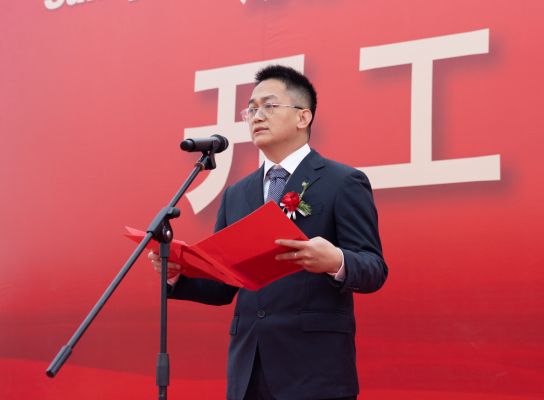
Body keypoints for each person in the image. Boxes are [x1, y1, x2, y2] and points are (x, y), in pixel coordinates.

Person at [149, 65, 388, 400]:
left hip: (314, 372)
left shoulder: (342, 182)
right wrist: (179, 275)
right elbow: (224, 285)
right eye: (251, 109)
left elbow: (374, 268)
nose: (256, 116)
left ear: (303, 117)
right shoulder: (237, 194)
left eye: (269, 106)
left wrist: (336, 260)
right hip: (249, 369)